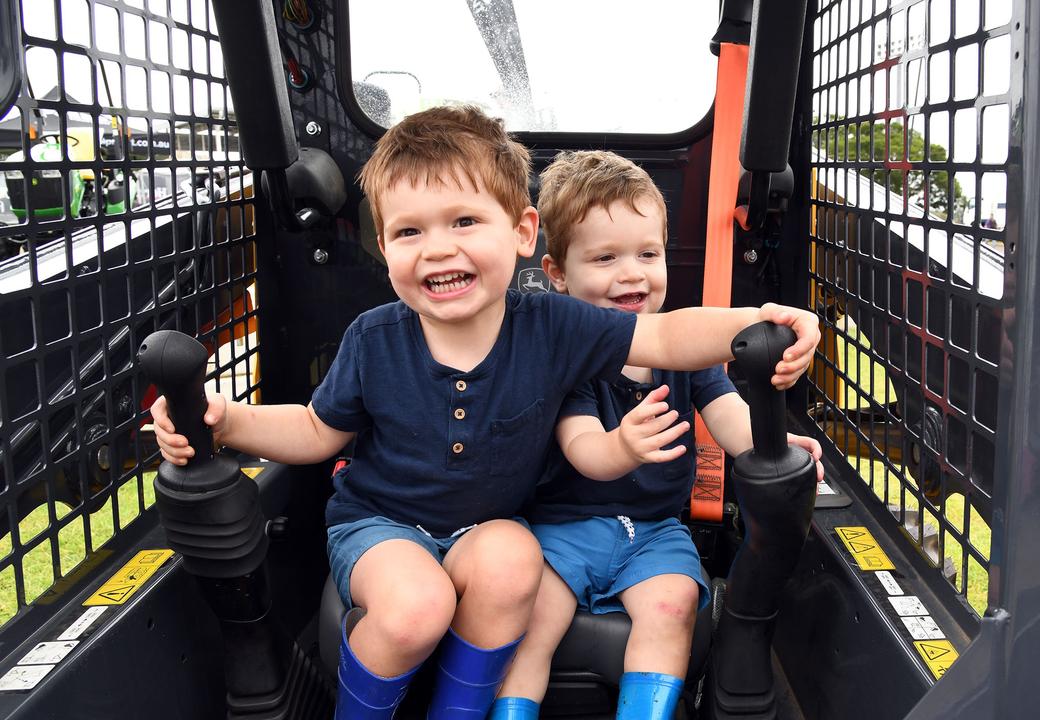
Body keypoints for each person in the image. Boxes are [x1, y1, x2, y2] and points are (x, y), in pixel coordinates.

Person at [149, 107, 821, 720]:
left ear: (523, 233)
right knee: (419, 606)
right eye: (410, 232)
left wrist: (765, 321)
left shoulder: (555, 327)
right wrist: (227, 421)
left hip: (487, 531)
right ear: (385, 252)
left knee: (514, 558)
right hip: (383, 525)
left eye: (464, 222)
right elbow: (317, 431)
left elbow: (669, 338)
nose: (439, 249)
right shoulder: (374, 339)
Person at [490, 151, 824, 720]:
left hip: (654, 534)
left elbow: (726, 414)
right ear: (558, 274)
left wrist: (773, 450)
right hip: (562, 531)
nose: (632, 273)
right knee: (530, 617)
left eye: (648, 253)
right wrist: (623, 446)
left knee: (673, 604)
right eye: (605, 257)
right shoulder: (566, 356)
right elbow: (583, 447)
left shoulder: (687, 356)